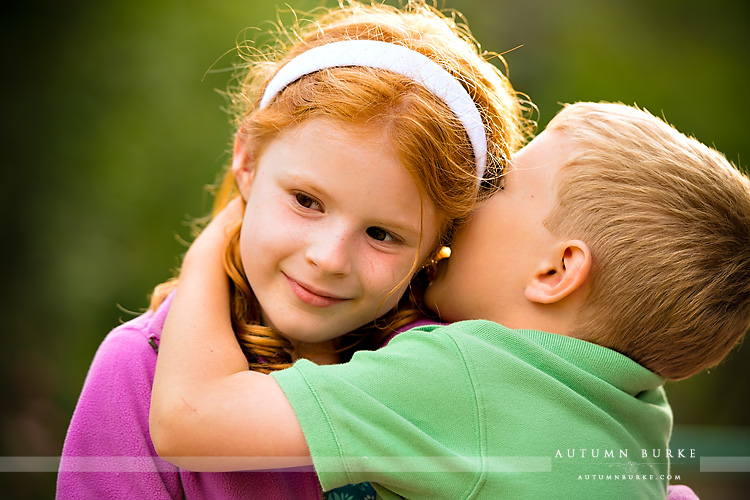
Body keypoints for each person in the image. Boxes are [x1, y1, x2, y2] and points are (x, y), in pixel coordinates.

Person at [150, 101, 750, 499]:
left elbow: (191, 420)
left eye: (499, 185)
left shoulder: (473, 379)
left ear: (557, 270)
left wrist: (214, 246)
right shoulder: (637, 417)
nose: (463, 206)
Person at [55, 1, 531, 499]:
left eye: (382, 234)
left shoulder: (451, 371)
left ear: (437, 246)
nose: (328, 258)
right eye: (306, 201)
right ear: (247, 160)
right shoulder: (139, 370)